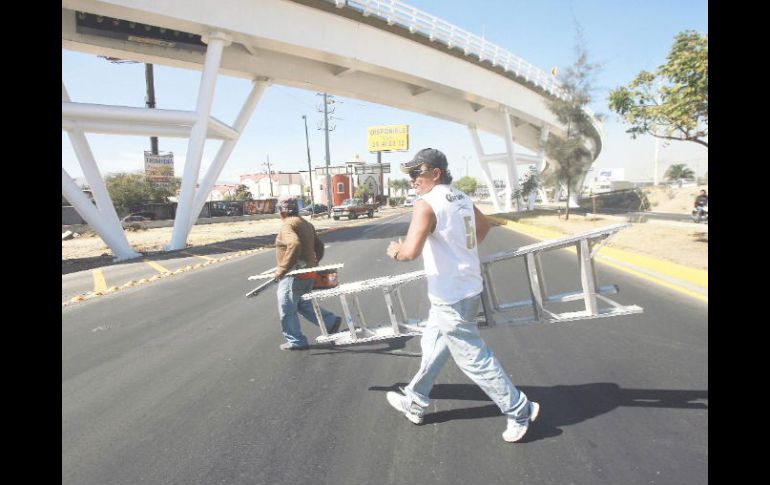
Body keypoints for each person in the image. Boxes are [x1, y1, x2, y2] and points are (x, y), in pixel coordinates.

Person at [384, 148, 539, 443]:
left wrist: (395, 251)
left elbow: (410, 252)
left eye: (416, 173)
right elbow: (483, 227)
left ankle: (520, 408)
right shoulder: (460, 197)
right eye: (410, 174)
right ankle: (415, 399)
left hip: (451, 294)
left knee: (472, 358)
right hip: (466, 286)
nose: (412, 179)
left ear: (435, 173)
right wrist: (461, 249)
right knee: (433, 344)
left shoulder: (426, 204)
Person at [274, 196, 342, 350]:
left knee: (286, 309)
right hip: (308, 275)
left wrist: (282, 268)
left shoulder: (287, 225)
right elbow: (320, 246)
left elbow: (294, 243)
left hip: (293, 276)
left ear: (281, 211)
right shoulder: (306, 223)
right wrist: (314, 264)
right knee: (302, 304)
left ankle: (296, 341)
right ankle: (329, 321)